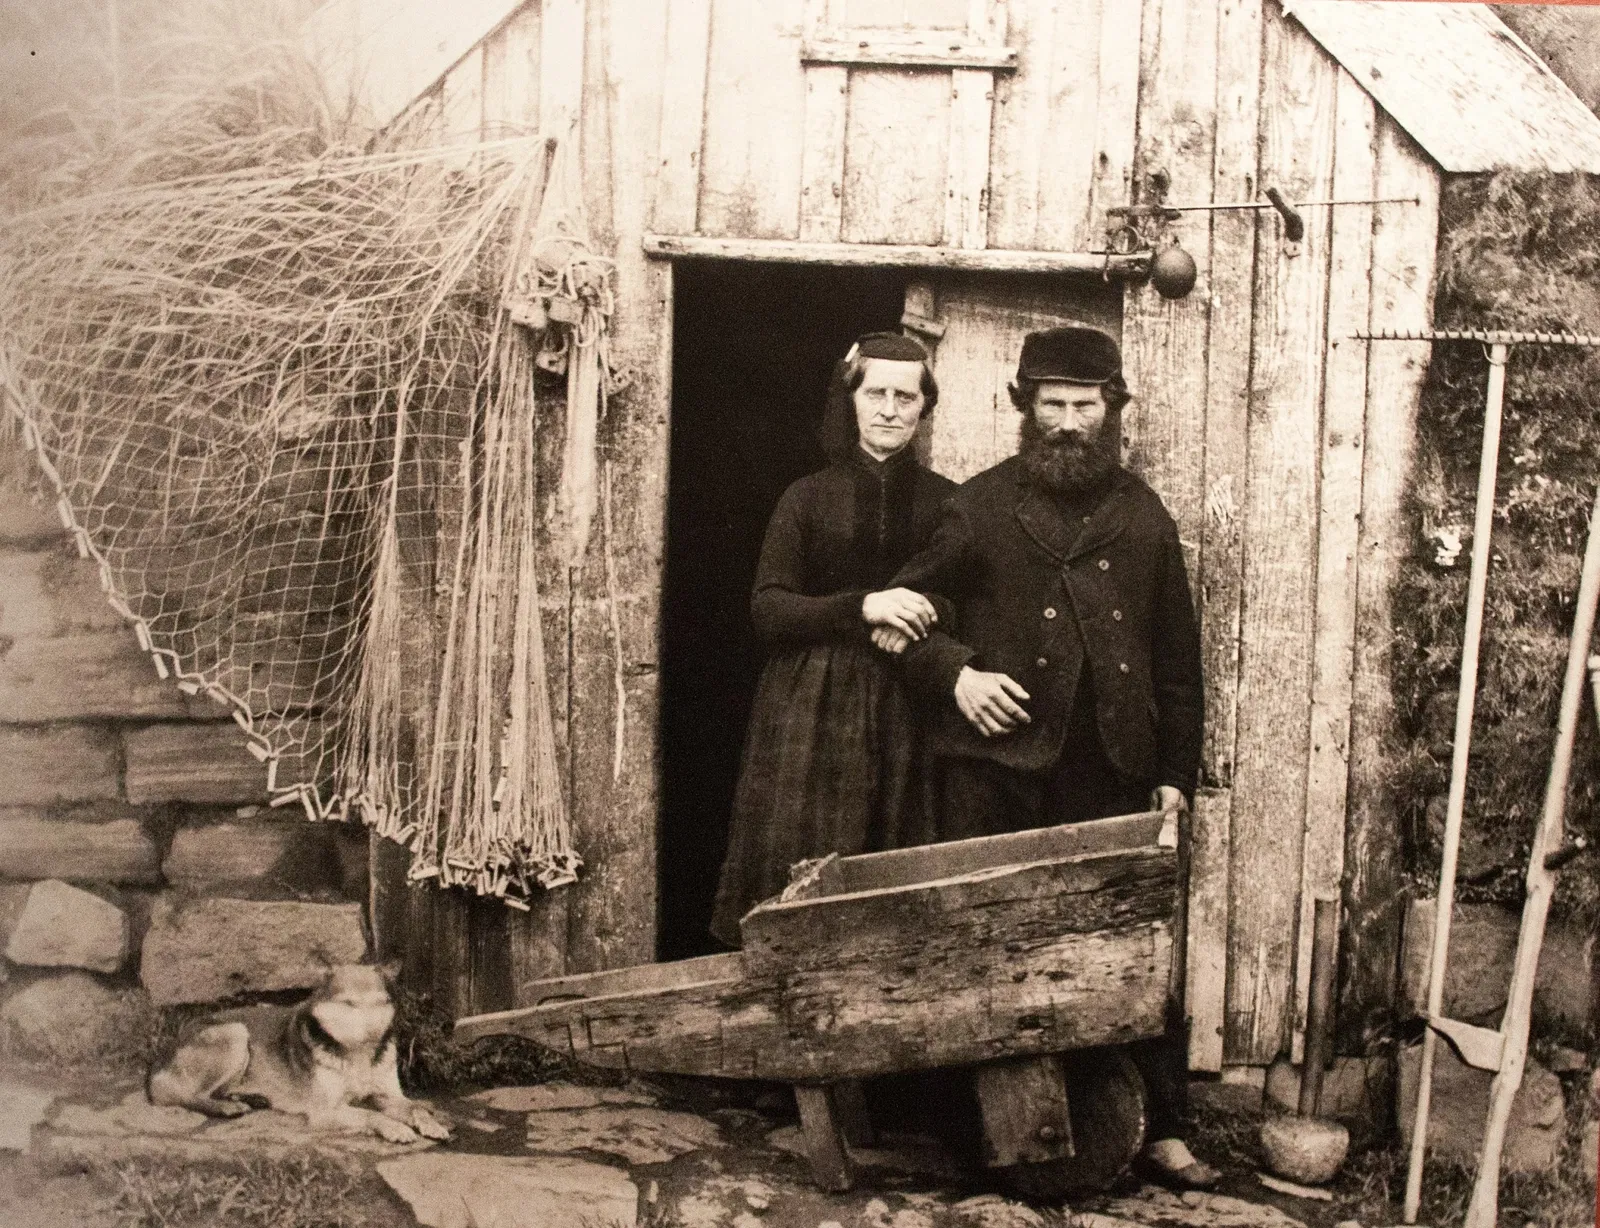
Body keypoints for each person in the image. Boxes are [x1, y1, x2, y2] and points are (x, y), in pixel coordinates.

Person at [884, 325, 1218, 1190]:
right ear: (1024, 410)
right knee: (983, 943)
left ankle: (1158, 1124)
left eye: (1086, 406)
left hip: (1107, 769)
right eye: (1054, 406)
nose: (1069, 423)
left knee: (1126, 946)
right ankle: (973, 1137)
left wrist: (1174, 778)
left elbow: (1179, 668)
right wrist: (955, 676)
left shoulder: (1145, 516)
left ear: (1112, 412)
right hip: (991, 769)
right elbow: (900, 616)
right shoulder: (978, 507)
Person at [708, 332, 958, 948]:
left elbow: (969, 596)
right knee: (800, 861)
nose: (890, 409)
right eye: (876, 393)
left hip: (908, 701)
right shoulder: (806, 497)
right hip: (811, 705)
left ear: (925, 406)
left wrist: (927, 611)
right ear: (851, 399)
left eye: (907, 396)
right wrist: (865, 605)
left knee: (897, 868)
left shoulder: (948, 502)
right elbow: (768, 608)